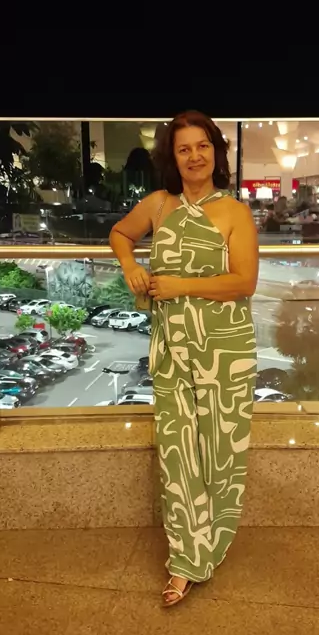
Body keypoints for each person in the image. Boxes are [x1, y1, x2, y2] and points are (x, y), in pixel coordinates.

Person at [110, 111, 258, 607]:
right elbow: (120, 234)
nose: (195, 156)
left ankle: (210, 546)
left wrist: (180, 286)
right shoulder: (159, 204)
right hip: (172, 348)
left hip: (226, 352)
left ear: (216, 151)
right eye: (184, 148)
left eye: (203, 146)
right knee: (177, 454)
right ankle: (185, 560)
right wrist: (130, 266)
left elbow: (244, 282)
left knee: (220, 453)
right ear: (171, 158)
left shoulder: (234, 213)